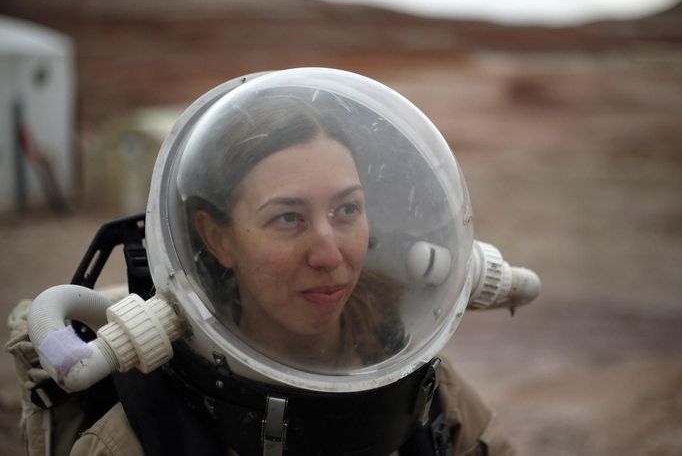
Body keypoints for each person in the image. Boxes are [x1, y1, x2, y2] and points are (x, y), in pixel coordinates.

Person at [67, 69, 516, 455]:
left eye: (346, 210)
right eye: (287, 218)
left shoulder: (427, 396)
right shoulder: (144, 438)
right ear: (218, 238)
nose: (328, 254)